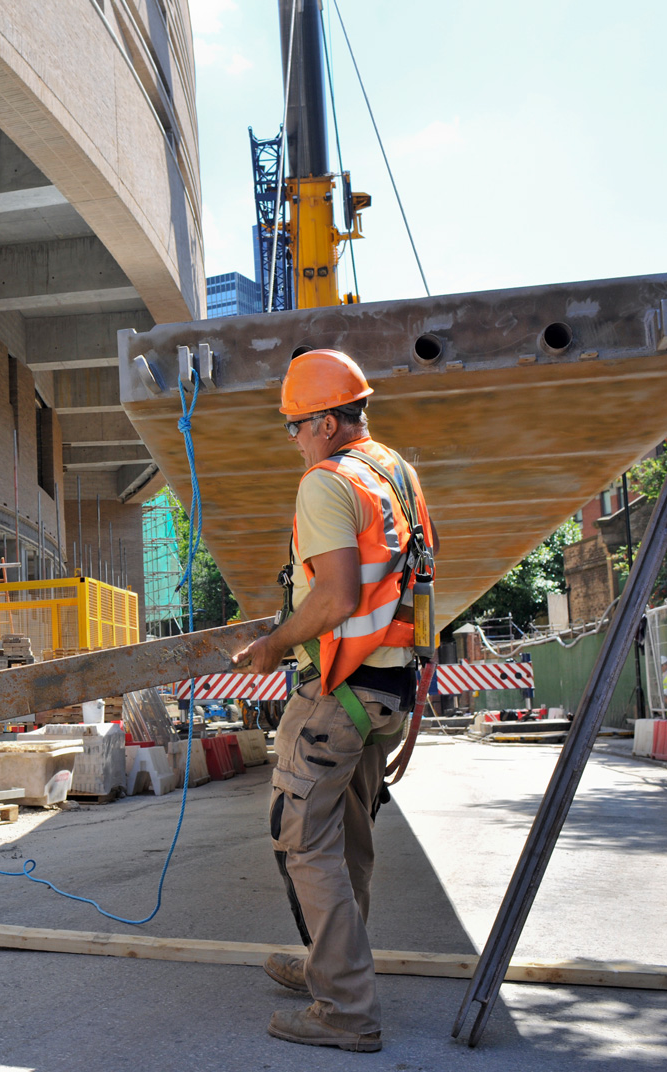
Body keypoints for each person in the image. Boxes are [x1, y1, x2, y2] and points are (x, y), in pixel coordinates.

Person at [233, 348, 437, 1053]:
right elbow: (418, 589)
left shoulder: (327, 483)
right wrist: (418, 694)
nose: (292, 438)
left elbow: (337, 595)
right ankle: (337, 965)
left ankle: (346, 1006)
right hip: (387, 689)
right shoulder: (396, 474)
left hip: (339, 692)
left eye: (293, 426)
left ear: (323, 423)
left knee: (304, 840)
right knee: (348, 838)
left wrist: (273, 643)